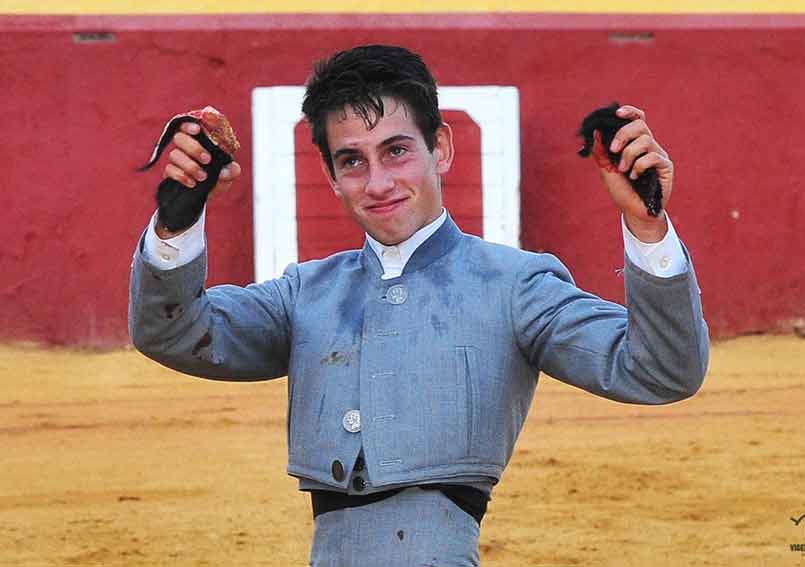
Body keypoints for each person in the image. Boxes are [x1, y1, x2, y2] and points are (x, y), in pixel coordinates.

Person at [130, 44, 709, 567]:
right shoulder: (305, 293)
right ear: (331, 177)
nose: (377, 181)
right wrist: (179, 218)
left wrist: (646, 225)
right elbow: (175, 334)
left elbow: (660, 370)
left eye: (398, 150)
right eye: (353, 161)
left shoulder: (516, 285)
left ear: (442, 149)